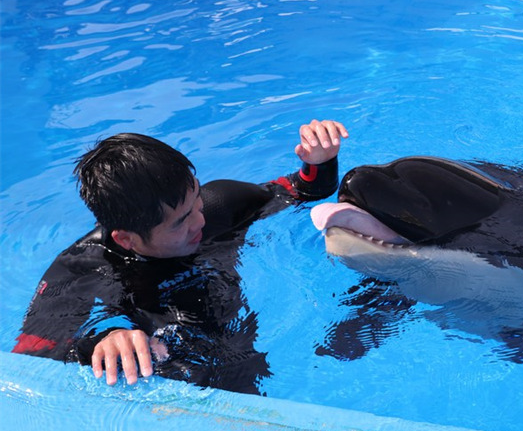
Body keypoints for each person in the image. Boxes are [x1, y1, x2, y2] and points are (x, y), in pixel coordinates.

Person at [12, 120, 348, 395]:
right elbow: (26, 367)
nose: (199, 221)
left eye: (195, 202)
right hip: (170, 369)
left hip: (239, 345)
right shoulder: (78, 271)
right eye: (180, 223)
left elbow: (302, 190)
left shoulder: (219, 204)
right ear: (126, 240)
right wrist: (100, 342)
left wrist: (319, 159)